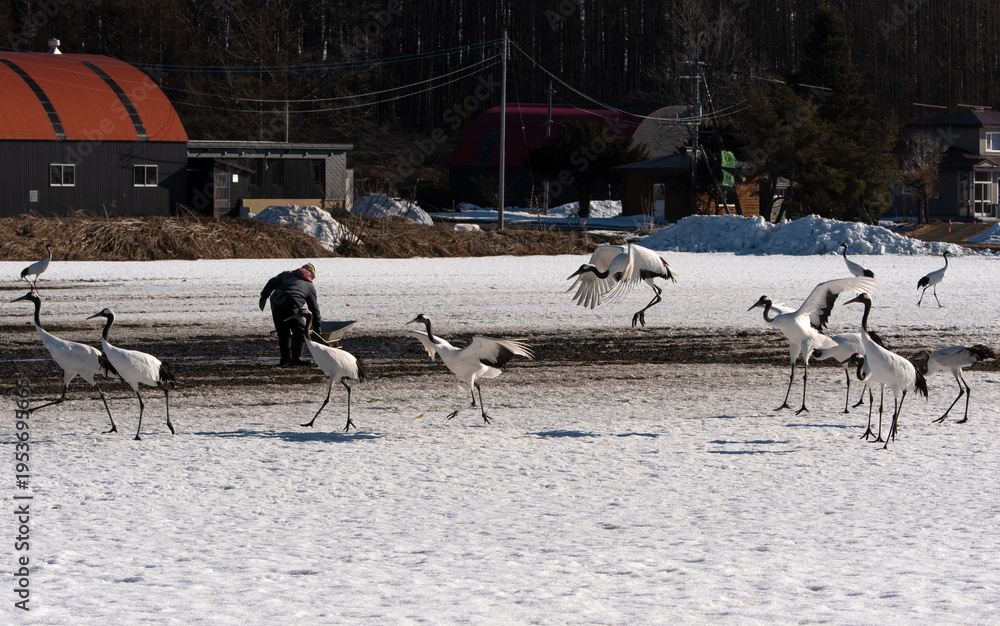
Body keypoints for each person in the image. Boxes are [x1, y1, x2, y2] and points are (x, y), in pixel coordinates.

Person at [259, 263, 322, 366]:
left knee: (283, 332)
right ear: (311, 275)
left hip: (276, 302)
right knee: (300, 331)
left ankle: (285, 360)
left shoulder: (286, 274)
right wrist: (317, 325)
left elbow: (272, 282)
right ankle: (297, 359)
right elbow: (314, 308)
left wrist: (263, 297)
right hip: (291, 303)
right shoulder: (310, 286)